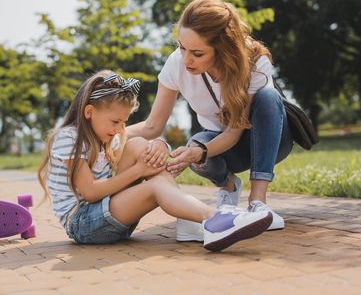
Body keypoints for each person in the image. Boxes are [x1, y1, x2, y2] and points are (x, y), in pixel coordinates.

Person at [37, 70, 273, 251]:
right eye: (115, 121)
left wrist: (160, 146)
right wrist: (139, 170)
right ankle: (212, 218)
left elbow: (143, 145)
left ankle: (192, 220)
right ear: (89, 112)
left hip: (111, 216)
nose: (120, 128)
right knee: (154, 185)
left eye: (124, 122)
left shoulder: (106, 137)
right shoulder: (69, 138)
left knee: (140, 145)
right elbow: (89, 193)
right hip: (83, 224)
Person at [126, 0, 293, 242]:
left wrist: (200, 151)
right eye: (181, 47)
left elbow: (234, 133)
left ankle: (258, 203)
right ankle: (227, 189)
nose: (186, 59)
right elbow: (152, 125)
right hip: (221, 143)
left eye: (197, 53)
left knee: (268, 97)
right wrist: (96, 134)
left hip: (268, 140)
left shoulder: (255, 61)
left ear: (223, 49)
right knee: (196, 146)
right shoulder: (177, 64)